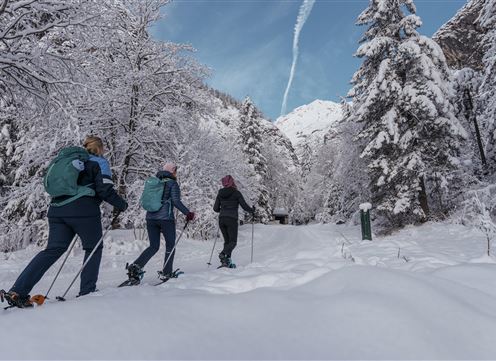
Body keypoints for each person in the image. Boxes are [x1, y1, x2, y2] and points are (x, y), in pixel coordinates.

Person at [1, 136, 127, 308]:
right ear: (100, 148)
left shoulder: (69, 160)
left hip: (57, 211)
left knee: (53, 250)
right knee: (93, 248)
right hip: (84, 211)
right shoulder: (99, 162)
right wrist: (121, 204)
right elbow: (105, 190)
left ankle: (18, 291)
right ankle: (87, 292)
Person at [125, 163, 195, 284]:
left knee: (153, 246)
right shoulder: (172, 183)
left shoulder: (154, 182)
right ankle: (167, 272)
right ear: (173, 171)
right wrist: (188, 213)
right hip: (166, 219)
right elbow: (176, 201)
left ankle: (135, 267)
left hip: (150, 218)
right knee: (170, 245)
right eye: (176, 171)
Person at [213, 175, 254, 267]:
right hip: (231, 219)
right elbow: (244, 206)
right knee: (233, 242)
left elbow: (215, 208)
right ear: (232, 182)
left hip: (222, 219)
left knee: (227, 241)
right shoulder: (236, 193)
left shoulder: (220, 193)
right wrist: (252, 211)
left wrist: (223, 210)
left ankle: (226, 262)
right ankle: (223, 254)